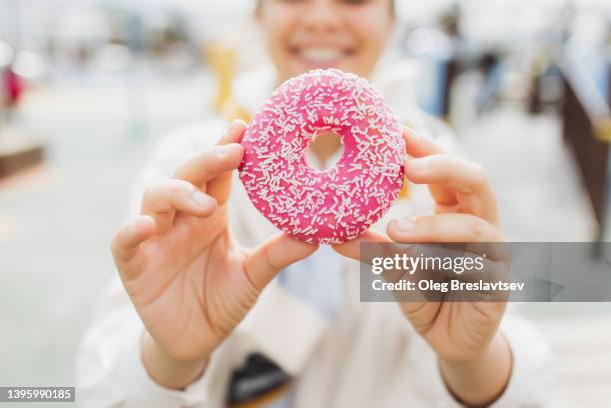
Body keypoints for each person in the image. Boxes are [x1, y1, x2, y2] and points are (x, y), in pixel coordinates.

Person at [77, 0, 551, 406]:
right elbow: (98, 384)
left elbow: (530, 372)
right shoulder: (188, 169)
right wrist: (169, 356)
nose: (322, 18)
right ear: (259, 14)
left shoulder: (445, 174)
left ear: (392, 18)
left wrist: (473, 359)